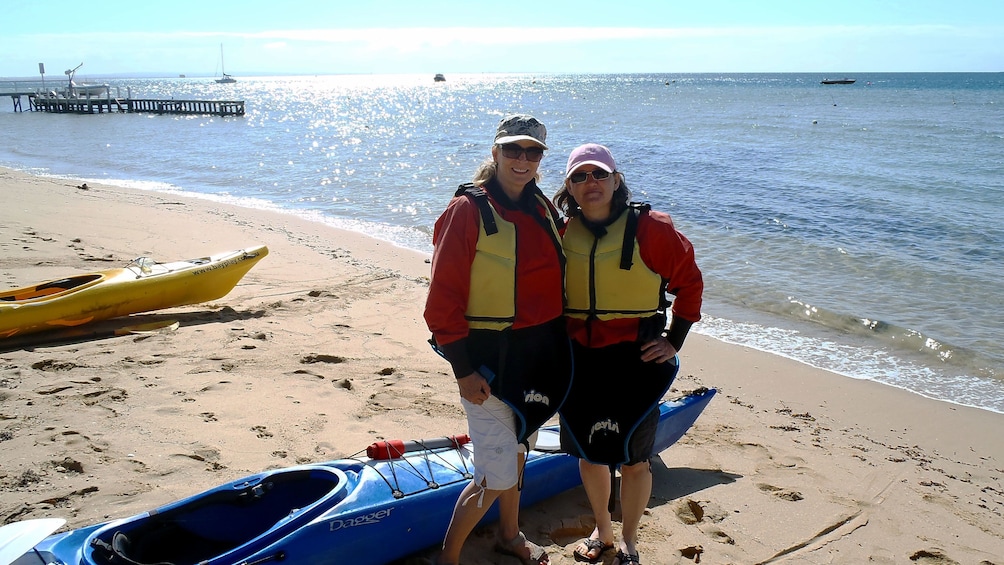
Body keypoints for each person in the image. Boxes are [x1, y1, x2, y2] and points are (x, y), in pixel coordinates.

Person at [424, 114, 573, 565]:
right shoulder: (467, 211)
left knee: (520, 449)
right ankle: (448, 559)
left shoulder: (542, 207)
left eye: (533, 152)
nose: (522, 160)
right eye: (513, 150)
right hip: (487, 363)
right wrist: (463, 371)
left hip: (537, 357)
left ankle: (510, 535)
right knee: (494, 474)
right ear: (495, 153)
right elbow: (441, 300)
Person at [553, 144, 703, 565]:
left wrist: (675, 338)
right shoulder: (564, 232)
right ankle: (602, 531)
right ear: (569, 187)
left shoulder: (650, 229)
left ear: (617, 180)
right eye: (579, 177)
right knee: (588, 453)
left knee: (635, 460)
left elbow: (689, 283)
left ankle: (630, 542)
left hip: (636, 363)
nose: (590, 183)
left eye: (599, 174)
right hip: (579, 360)